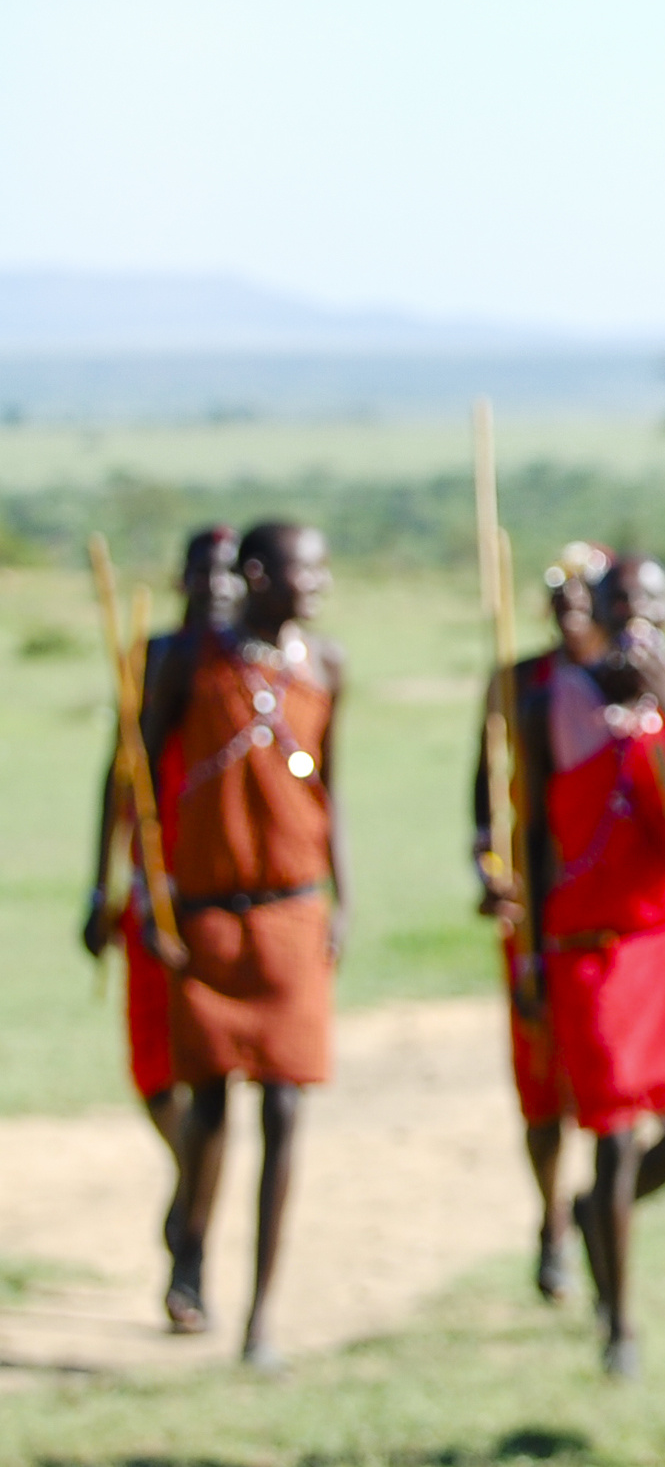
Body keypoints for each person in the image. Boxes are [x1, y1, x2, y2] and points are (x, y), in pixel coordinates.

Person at [526, 551, 665, 1378]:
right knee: (611, 1138)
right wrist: (535, 955)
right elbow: (539, 840)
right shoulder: (555, 700)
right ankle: (619, 1321)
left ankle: (591, 1217)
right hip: (590, 948)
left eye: (651, 601)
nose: (635, 617)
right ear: (600, 612)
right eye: (620, 603)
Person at [146, 522, 351, 1368]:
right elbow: (136, 775)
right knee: (208, 1108)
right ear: (261, 576)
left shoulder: (326, 666)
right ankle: (191, 1242)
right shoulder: (190, 662)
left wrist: (345, 897)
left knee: (287, 1107)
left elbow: (332, 788)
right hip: (205, 918)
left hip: (294, 914)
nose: (319, 583)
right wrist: (140, 892)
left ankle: (264, 1314)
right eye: (305, 570)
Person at [470, 540, 611, 1304]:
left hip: (605, 914)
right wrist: (489, 872)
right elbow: (482, 797)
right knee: (541, 1082)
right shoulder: (517, 680)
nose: (570, 609)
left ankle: (597, 1217)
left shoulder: (619, 687)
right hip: (535, 912)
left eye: (585, 595)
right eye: (558, 596)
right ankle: (552, 1217)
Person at [82, 526, 241, 1156]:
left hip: (225, 887)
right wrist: (102, 888)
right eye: (206, 571)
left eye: (232, 572)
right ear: (183, 580)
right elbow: (120, 777)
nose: (218, 586)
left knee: (211, 1058)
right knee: (153, 1060)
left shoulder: (251, 665)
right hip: (155, 881)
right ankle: (191, 1180)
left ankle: (197, 1203)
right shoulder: (153, 657)